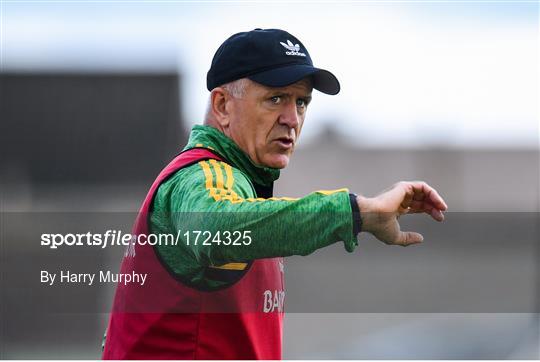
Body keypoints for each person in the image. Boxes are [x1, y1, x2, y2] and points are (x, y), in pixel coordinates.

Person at [102, 28, 448, 360]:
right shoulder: (201, 177)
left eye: (301, 102)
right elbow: (216, 228)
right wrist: (358, 212)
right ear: (222, 105)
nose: (292, 118)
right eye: (276, 98)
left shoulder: (241, 188)